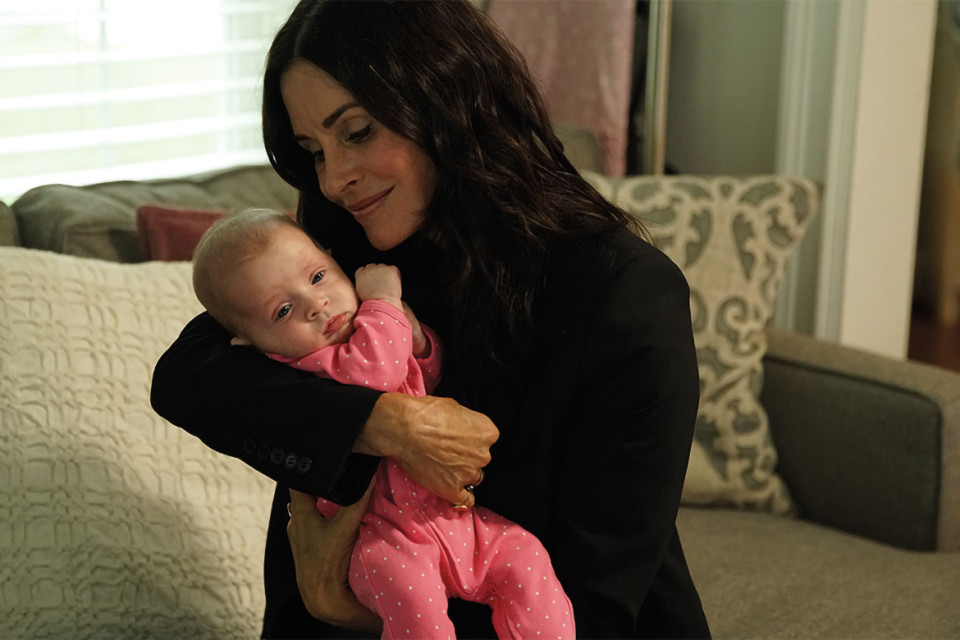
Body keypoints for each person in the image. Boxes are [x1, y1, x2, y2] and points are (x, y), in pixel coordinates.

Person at [150, 1, 711, 637]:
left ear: (447, 101)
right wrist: (386, 423)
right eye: (314, 151)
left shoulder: (624, 293)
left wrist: (345, 607)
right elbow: (186, 376)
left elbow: (594, 608)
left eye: (357, 132)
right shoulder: (351, 250)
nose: (334, 180)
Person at [190, 207, 575, 639]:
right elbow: (376, 375)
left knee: (524, 558)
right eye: (283, 310)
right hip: (383, 541)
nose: (316, 305)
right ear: (250, 344)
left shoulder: (368, 330)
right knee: (418, 614)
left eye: (318, 277)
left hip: (449, 519)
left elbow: (421, 380)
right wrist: (385, 302)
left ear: (333, 258)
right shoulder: (307, 365)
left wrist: (421, 344)